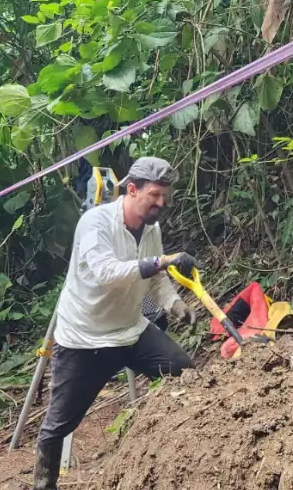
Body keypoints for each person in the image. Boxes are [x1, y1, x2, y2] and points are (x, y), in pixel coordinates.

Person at [32, 157, 198, 489]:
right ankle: (43, 483)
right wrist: (161, 261)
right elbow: (108, 274)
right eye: (155, 195)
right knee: (59, 425)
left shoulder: (152, 228)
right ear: (132, 189)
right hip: (84, 340)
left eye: (166, 196)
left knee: (186, 373)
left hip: (131, 331)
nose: (161, 203)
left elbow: (157, 279)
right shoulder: (95, 223)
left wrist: (175, 303)